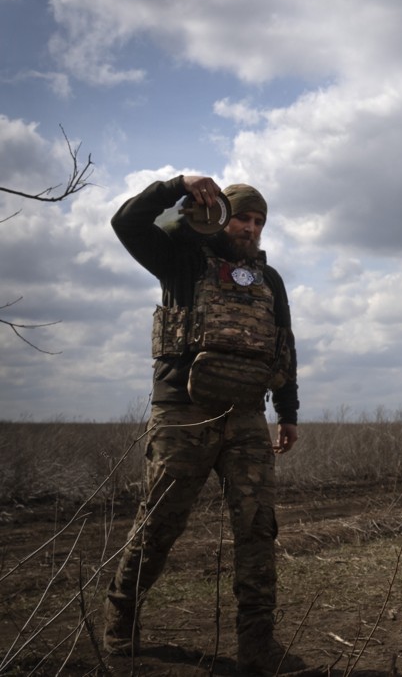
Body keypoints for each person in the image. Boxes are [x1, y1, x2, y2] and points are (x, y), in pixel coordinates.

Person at [104, 175, 302, 675]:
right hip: (182, 412)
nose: (251, 228)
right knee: (160, 524)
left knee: (258, 528)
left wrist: (288, 412)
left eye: (259, 222)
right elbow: (125, 221)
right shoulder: (182, 257)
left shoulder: (268, 278)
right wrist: (177, 187)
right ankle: (120, 618)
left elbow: (284, 345)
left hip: (247, 415)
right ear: (221, 214)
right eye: (242, 217)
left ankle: (257, 645)